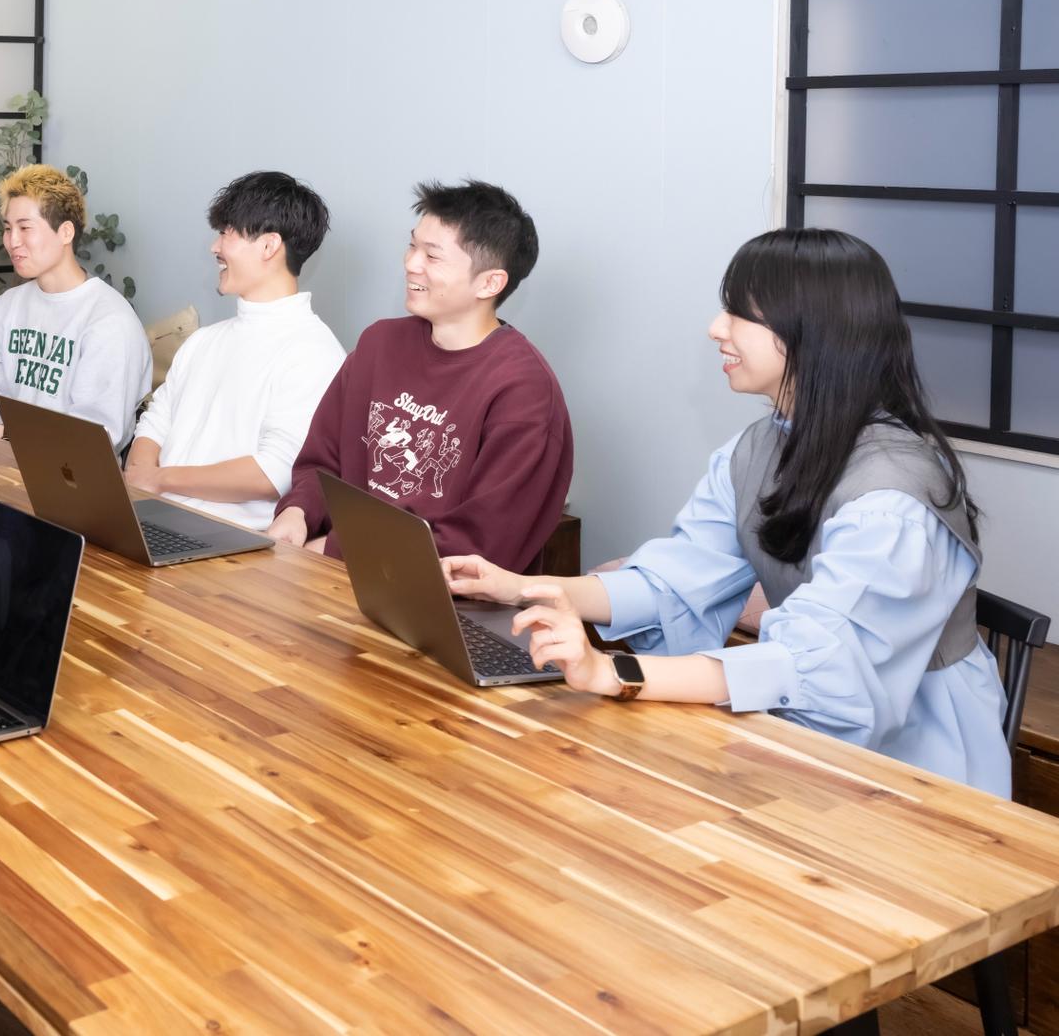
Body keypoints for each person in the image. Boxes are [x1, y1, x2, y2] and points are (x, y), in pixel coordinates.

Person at [445, 228, 1010, 797]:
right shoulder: (757, 448)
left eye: (740, 313)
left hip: (920, 760)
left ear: (811, 332)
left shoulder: (894, 500)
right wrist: (518, 587)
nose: (717, 328)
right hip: (799, 722)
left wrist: (610, 672)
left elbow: (815, 667)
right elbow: (675, 581)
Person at [268, 179, 572, 568]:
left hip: (441, 595)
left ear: (489, 282)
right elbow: (322, 463)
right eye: (413, 246)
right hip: (335, 574)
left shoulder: (524, 390)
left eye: (433, 255)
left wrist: (333, 549)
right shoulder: (380, 344)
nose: (411, 263)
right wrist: (298, 512)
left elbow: (481, 543)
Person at [124, 171, 344, 531]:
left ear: (269, 246)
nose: (215, 247)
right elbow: (155, 422)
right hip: (154, 518)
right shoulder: (204, 341)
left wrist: (160, 480)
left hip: (229, 539)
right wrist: (141, 478)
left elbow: (274, 473)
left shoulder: (315, 352)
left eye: (227, 232)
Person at [0, 165, 151, 448]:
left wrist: (4, 435)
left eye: (25, 228)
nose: (12, 241)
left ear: (65, 232)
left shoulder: (110, 321)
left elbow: (94, 435)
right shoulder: (7, 306)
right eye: (8, 228)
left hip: (70, 472)